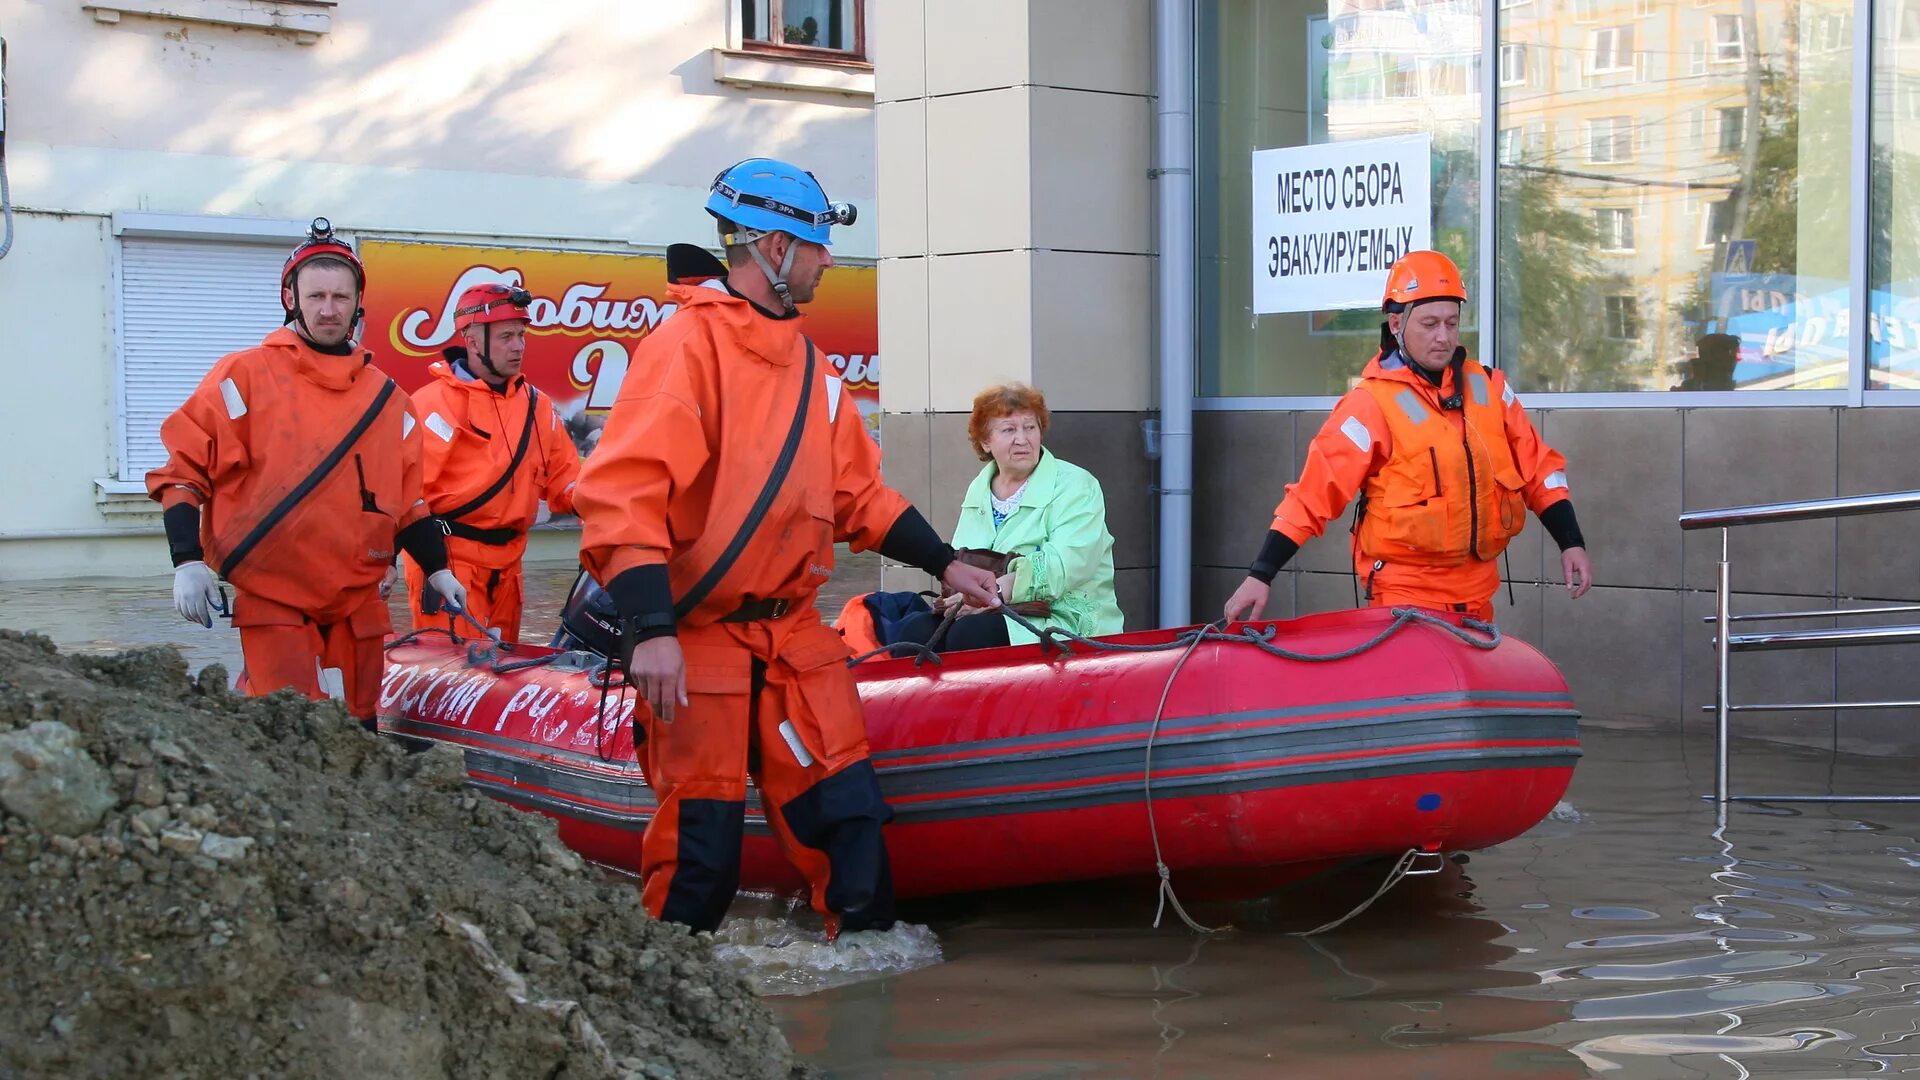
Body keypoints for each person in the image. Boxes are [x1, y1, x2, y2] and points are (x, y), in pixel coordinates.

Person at [571, 157, 1001, 935]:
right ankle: (671, 1005)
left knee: (851, 826)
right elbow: (622, 494)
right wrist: (653, 631)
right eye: (814, 245)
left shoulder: (812, 369)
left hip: (794, 639)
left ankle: (864, 1004)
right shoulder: (684, 350)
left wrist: (946, 562)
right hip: (697, 640)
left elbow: (856, 496)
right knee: (702, 857)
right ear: (772, 247)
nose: (827, 261)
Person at [146, 218, 467, 729]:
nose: (328, 309)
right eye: (316, 295)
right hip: (274, 597)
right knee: (286, 732)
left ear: (359, 302)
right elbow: (184, 471)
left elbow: (408, 503)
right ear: (291, 299)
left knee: (360, 733)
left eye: (341, 297)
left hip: (358, 602)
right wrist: (186, 560)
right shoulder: (244, 376)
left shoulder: (389, 401)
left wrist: (438, 568)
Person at [1223, 250, 1593, 624]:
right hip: (1405, 600)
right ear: (1397, 323)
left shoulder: (1490, 389)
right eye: (1430, 323)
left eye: (1451, 323)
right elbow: (1313, 494)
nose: (1443, 337)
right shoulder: (1370, 405)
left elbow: (1539, 469)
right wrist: (1261, 573)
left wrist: (1570, 540)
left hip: (1478, 598)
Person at [403, 283, 581, 643]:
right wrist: (426, 566)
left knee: (500, 679)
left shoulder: (538, 407)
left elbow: (566, 483)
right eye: (505, 337)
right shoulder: (431, 404)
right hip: (450, 565)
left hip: (510, 567)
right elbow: (404, 496)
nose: (518, 346)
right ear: (471, 340)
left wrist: (615, 503)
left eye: (521, 335)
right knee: (454, 683)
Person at [887, 382, 1124, 651]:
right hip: (991, 607)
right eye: (1009, 429)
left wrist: (993, 594)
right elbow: (964, 559)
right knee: (913, 635)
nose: (1022, 439)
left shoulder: (1076, 484)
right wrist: (967, 596)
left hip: (1060, 613)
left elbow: (1066, 565)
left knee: (970, 637)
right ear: (985, 442)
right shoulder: (980, 487)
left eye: (1030, 427)